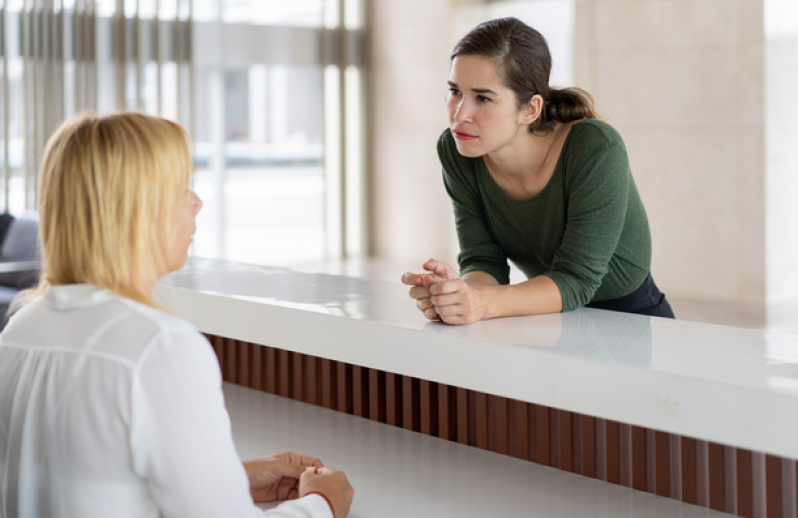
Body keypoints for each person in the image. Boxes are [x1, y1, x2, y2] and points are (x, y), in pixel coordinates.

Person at [0, 112, 354, 518]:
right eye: (178, 187)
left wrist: (227, 478)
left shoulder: (20, 330)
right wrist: (323, 503)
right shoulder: (158, 346)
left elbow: (81, 480)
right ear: (136, 210)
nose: (197, 201)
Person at [402, 17, 674, 325]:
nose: (459, 114)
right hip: (548, 314)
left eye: (482, 97)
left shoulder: (595, 148)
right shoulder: (457, 150)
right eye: (455, 91)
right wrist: (458, 295)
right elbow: (483, 261)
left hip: (633, 317)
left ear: (530, 109)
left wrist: (482, 303)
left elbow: (577, 281)